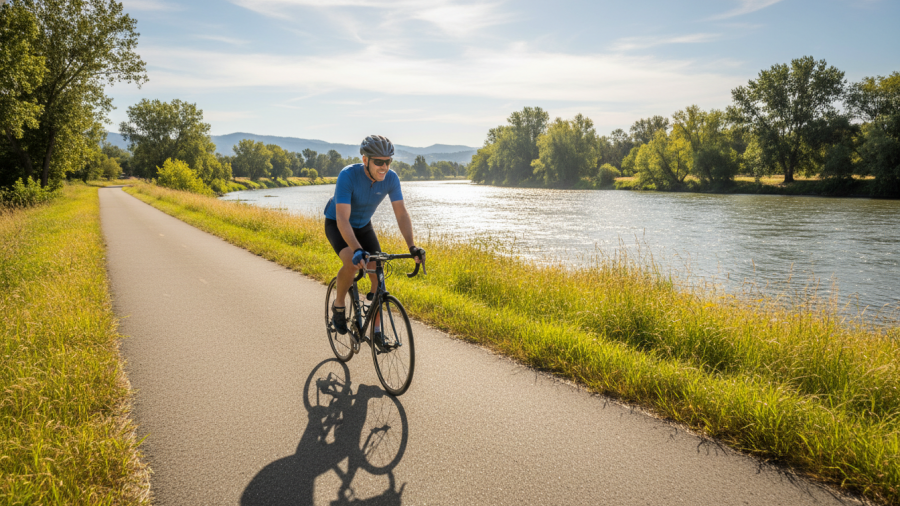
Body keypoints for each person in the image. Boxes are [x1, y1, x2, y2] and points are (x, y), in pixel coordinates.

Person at [324, 135, 425, 346]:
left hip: (363, 226)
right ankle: (339, 305)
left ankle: (377, 332)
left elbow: (401, 214)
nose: (384, 166)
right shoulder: (348, 176)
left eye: (388, 161)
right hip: (338, 224)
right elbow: (343, 218)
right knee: (352, 263)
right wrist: (357, 249)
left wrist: (412, 246)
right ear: (365, 160)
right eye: (378, 161)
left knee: (378, 279)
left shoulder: (391, 178)